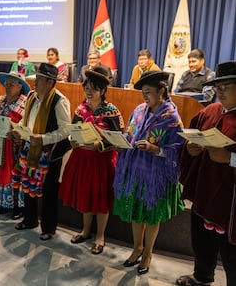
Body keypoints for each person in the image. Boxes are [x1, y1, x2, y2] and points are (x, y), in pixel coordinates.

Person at [113, 71, 185, 275]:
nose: (144, 97)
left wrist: (155, 149)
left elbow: (178, 149)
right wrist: (121, 143)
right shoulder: (139, 110)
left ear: (162, 91)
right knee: (137, 212)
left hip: (155, 175)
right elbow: (129, 133)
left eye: (148, 92)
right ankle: (137, 247)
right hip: (136, 169)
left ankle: (148, 254)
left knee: (151, 215)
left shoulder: (171, 116)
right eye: (143, 93)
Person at [176, 61, 236, 286]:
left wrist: (229, 158)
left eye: (226, 86)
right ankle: (202, 276)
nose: (219, 91)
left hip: (231, 201)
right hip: (206, 190)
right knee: (202, 241)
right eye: (217, 86)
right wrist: (191, 150)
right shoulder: (209, 111)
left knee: (231, 253)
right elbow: (192, 140)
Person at [59, 66, 124, 255]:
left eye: (93, 88)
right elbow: (74, 129)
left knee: (101, 199)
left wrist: (100, 145)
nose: (88, 91)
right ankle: (86, 231)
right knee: (85, 195)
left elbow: (118, 138)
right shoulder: (81, 109)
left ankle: (100, 236)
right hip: (82, 159)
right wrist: (72, 140)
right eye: (86, 87)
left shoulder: (111, 112)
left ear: (103, 90)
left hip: (101, 162)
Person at [12, 63, 71, 240]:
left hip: (49, 153)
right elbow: (25, 118)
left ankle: (48, 228)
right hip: (30, 148)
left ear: (49, 81)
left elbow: (66, 130)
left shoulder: (59, 101)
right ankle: (30, 219)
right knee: (28, 186)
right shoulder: (31, 96)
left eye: (38, 79)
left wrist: (43, 138)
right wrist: (19, 131)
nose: (34, 82)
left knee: (48, 192)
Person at [0, 72, 30, 218]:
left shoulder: (25, 103)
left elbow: (25, 123)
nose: (8, 86)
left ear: (20, 87)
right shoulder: (1, 100)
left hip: (14, 146)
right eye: (7, 83)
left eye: (11, 84)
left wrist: (16, 132)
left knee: (14, 174)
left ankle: (18, 206)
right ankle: (4, 203)